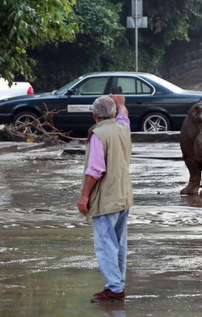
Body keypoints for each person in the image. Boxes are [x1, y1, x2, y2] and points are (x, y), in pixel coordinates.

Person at [77, 94, 133, 303]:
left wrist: (84, 196)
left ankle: (115, 287)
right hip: (123, 195)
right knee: (119, 243)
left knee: (106, 243)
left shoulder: (99, 134)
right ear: (113, 114)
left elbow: (95, 170)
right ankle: (117, 283)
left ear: (94, 115)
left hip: (106, 198)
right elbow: (124, 116)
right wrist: (121, 104)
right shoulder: (122, 128)